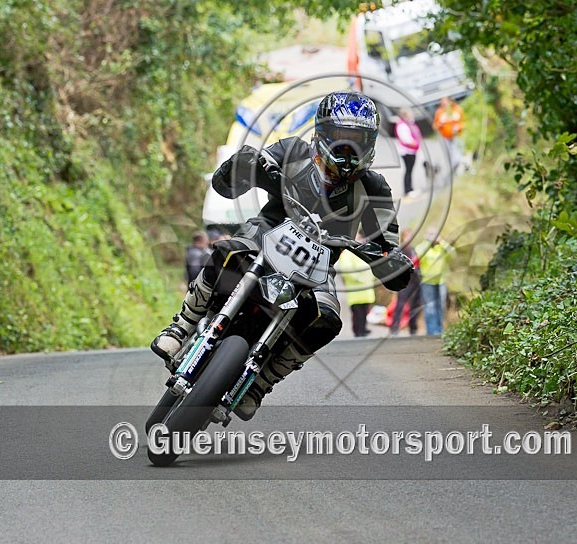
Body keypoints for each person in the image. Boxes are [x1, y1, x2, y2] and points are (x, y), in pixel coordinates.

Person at [151, 90, 413, 420]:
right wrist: (244, 165)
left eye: (357, 141)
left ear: (370, 144)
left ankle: (262, 382)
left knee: (328, 318)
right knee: (229, 251)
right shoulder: (292, 150)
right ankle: (182, 325)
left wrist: (390, 260)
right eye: (341, 139)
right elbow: (234, 179)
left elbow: (387, 244)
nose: (348, 150)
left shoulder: (375, 188)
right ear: (322, 134)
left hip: (317, 268)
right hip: (264, 236)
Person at [417, 229, 456, 336]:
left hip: (441, 281)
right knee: (429, 307)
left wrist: (442, 242)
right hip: (427, 282)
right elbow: (417, 255)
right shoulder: (423, 247)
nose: (433, 237)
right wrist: (427, 242)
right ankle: (431, 331)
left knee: (441, 306)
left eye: (434, 234)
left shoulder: (441, 248)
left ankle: (439, 330)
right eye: (430, 234)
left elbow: (453, 253)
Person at [337, 239, 377, 337]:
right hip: (356, 290)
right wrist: (359, 278)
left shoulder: (365, 251)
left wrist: (369, 277)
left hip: (366, 289)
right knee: (357, 312)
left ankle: (363, 329)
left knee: (364, 311)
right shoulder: (347, 254)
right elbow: (346, 269)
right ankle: (358, 331)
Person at [389, 230, 422, 336]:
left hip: (416, 280)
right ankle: (395, 327)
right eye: (407, 236)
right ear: (403, 237)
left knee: (415, 304)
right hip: (406, 281)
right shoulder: (401, 249)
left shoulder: (413, 249)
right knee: (400, 304)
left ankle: (413, 327)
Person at [394, 107, 422, 197]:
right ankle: (408, 189)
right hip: (406, 151)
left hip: (411, 151)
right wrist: (415, 144)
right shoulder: (402, 125)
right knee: (408, 170)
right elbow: (406, 139)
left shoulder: (408, 123)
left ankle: (410, 188)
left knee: (410, 170)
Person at [432, 96, 465, 174]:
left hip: (457, 136)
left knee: (458, 155)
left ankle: (457, 170)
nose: (444, 104)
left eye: (446, 102)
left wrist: (458, 127)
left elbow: (463, 122)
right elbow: (434, 126)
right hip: (445, 137)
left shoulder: (457, 110)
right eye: (442, 102)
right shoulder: (439, 112)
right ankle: (451, 171)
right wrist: (440, 124)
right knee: (449, 155)